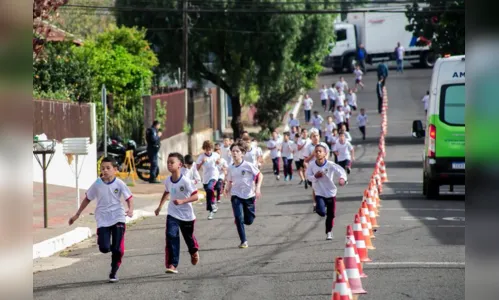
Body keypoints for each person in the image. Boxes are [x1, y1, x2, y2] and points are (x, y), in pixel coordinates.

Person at [68, 157, 133, 282]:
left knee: (118, 249)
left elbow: (129, 197)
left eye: (108, 168)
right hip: (103, 218)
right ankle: (112, 248)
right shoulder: (98, 183)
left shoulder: (119, 183)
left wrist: (130, 209)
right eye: (102, 168)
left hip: (118, 217)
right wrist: (77, 214)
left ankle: (113, 272)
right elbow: (88, 198)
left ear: (115, 170)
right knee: (104, 248)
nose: (105, 170)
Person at [154, 153, 200, 274]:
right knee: (171, 235)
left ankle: (193, 251)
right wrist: (159, 207)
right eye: (168, 162)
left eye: (172, 162)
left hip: (187, 216)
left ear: (180, 164)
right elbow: (166, 192)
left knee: (188, 237)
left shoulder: (186, 181)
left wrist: (183, 201)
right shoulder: (168, 180)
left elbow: (196, 196)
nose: (169, 164)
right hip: (173, 214)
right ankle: (172, 264)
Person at [225, 140, 263, 248]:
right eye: (233, 151)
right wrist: (226, 188)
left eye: (237, 151)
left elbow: (260, 175)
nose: (235, 153)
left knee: (249, 220)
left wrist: (258, 188)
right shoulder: (230, 167)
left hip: (249, 196)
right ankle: (243, 241)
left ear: (242, 153)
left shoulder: (248, 165)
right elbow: (229, 181)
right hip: (236, 195)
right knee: (238, 218)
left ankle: (242, 219)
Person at [306, 144, 347, 240]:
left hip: (330, 192)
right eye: (316, 151)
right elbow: (308, 176)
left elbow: (341, 171)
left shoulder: (330, 164)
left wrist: (342, 179)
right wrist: (315, 176)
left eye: (320, 151)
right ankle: (318, 206)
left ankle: (329, 232)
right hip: (319, 193)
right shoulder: (312, 165)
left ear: (325, 153)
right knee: (321, 212)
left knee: (331, 215)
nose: (318, 153)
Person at [303, 129, 330, 212]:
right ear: (311, 138)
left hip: (323, 168)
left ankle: (324, 201)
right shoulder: (308, 147)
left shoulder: (323, 145)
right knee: (315, 188)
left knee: (325, 185)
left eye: (317, 136)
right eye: (314, 136)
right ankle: (315, 204)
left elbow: (327, 153)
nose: (316, 138)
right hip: (314, 169)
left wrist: (325, 160)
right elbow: (305, 160)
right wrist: (312, 155)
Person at [196, 140, 221, 220]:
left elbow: (219, 161)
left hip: (214, 175)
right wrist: (201, 162)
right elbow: (196, 168)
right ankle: (211, 211)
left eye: (210, 149)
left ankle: (213, 204)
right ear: (204, 149)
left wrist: (218, 162)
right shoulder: (201, 157)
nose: (208, 151)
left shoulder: (215, 155)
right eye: (207, 149)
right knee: (208, 194)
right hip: (205, 178)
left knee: (210, 188)